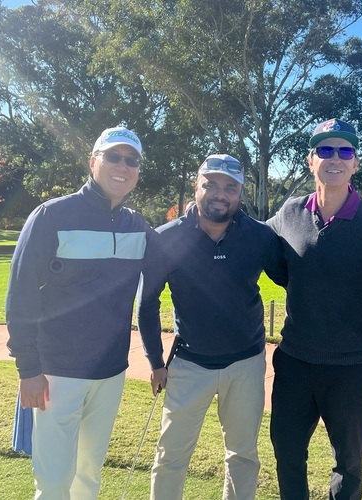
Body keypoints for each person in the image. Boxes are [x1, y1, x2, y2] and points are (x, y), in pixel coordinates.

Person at [5, 125, 161, 499]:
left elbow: (175, 262)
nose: (123, 166)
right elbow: (20, 296)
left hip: (110, 373)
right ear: (93, 162)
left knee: (89, 476)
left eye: (132, 161)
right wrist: (28, 370)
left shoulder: (137, 226)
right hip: (57, 373)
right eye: (113, 157)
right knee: (54, 481)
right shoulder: (51, 216)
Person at [266, 119, 362, 499]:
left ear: (355, 163)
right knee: (287, 454)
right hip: (294, 362)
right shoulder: (289, 213)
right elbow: (259, 245)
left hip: (350, 368)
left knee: (348, 465)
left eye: (345, 151)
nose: (335, 158)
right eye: (325, 150)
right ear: (310, 160)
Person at [137, 154, 286, 500]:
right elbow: (146, 303)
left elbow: (295, 280)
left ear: (240, 193)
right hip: (189, 364)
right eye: (211, 184)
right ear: (197, 186)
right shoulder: (166, 238)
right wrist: (155, 362)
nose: (220, 194)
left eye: (230, 187)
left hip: (246, 363)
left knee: (243, 455)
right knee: (171, 455)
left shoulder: (260, 236)